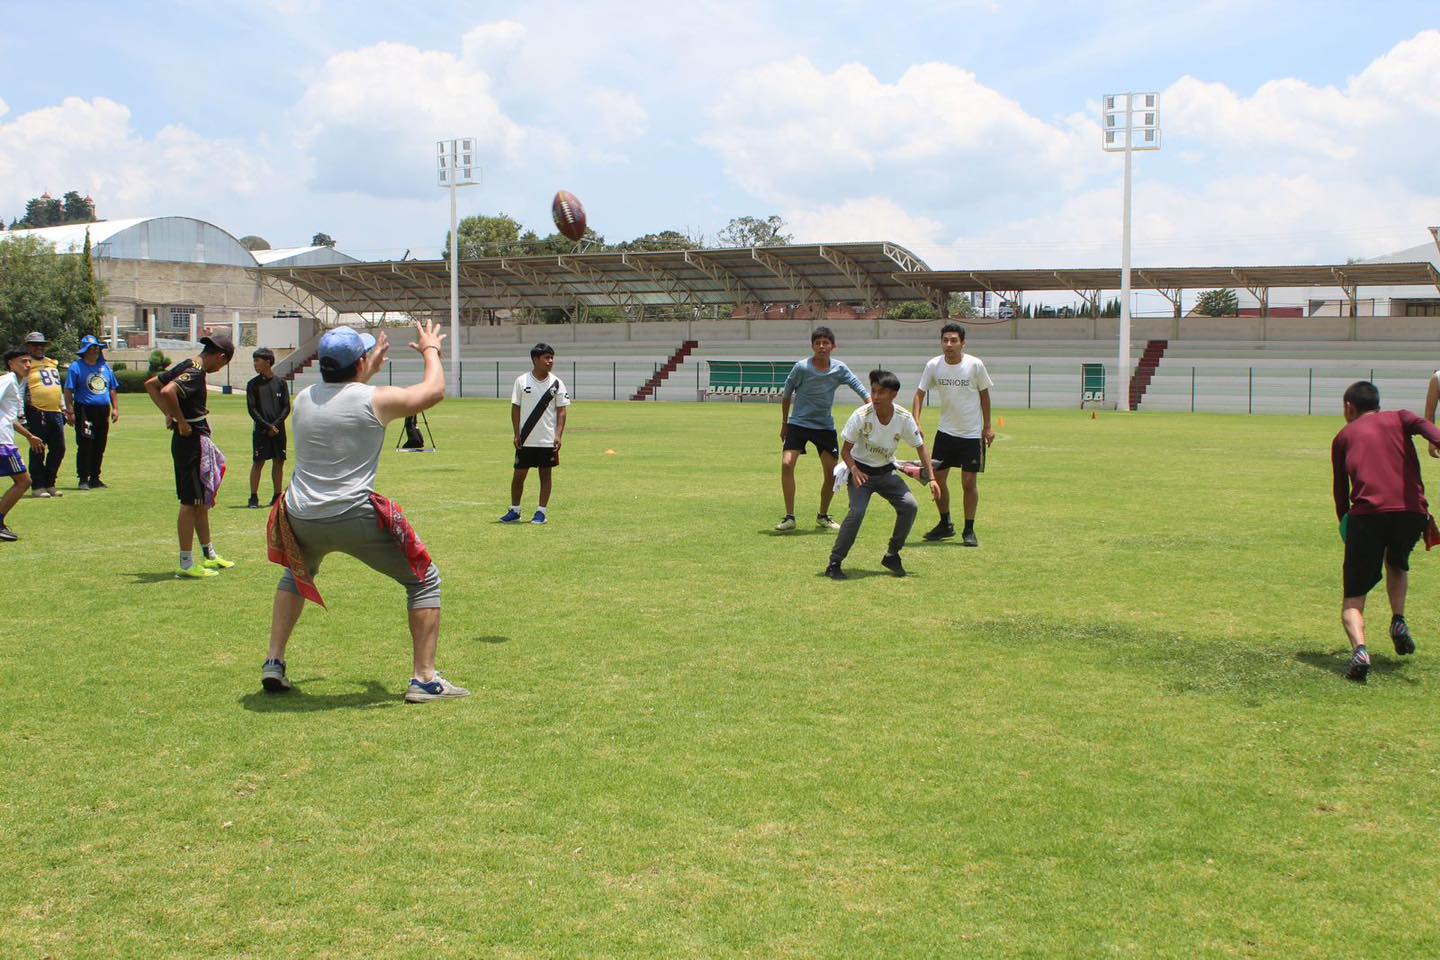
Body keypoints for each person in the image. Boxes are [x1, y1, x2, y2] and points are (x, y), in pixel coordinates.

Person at [262, 321, 469, 704]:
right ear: (359, 363)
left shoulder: (304, 397)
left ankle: (274, 660)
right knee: (424, 580)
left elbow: (343, 393)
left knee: (296, 574)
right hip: (351, 513)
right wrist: (429, 349)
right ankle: (424, 679)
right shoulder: (375, 399)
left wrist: (364, 368)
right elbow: (434, 390)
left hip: (301, 513)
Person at [1330, 380, 1440, 682]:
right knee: (1397, 561)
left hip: (1368, 515)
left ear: (1349, 408)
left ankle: (1361, 651)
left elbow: (1341, 492)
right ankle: (1398, 620)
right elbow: (1435, 435)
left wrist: (1345, 524)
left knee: (1354, 595)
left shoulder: (1343, 437)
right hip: (1412, 513)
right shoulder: (1402, 417)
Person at [826, 370, 940, 580]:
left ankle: (892, 554)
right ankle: (834, 562)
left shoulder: (904, 418)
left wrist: (932, 478)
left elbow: (921, 447)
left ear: (893, 395)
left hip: (886, 472)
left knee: (910, 506)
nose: (876, 397)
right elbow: (845, 451)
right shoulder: (861, 415)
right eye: (874, 391)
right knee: (856, 513)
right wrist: (853, 469)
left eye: (882, 392)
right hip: (861, 472)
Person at [144, 334, 235, 579]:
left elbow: (151, 384)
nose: (219, 369)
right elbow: (167, 390)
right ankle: (186, 563)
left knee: (201, 501)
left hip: (193, 440)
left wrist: (169, 414)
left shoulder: (187, 364)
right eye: (222, 364)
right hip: (191, 441)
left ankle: (210, 554)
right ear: (221, 356)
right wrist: (180, 421)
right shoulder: (195, 372)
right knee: (189, 502)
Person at [777, 326, 869, 531]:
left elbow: (859, 387)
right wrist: (785, 423)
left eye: (825, 343)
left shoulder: (839, 369)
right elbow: (786, 394)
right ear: (812, 346)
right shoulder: (801, 367)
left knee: (832, 473)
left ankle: (823, 516)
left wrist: (871, 407)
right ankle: (789, 517)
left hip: (824, 427)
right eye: (817, 343)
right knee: (786, 464)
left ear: (832, 347)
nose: (821, 346)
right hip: (798, 424)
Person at [912, 322, 994, 547]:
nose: (949, 344)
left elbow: (985, 396)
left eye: (953, 340)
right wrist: (916, 422)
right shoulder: (933, 365)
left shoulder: (975, 365)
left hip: (971, 434)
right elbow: (919, 394)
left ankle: (969, 529)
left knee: (968, 482)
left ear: (962, 343)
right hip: (945, 433)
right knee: (937, 479)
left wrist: (987, 426)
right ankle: (945, 523)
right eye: (945, 340)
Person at [500, 342, 570, 525]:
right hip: (526, 438)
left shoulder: (557, 383)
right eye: (547, 357)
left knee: (545, 476)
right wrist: (516, 434)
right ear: (535, 359)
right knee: (518, 476)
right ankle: (515, 511)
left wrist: (558, 435)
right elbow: (515, 407)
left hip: (547, 440)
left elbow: (562, 410)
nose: (550, 361)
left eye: (552, 357)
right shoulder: (522, 381)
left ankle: (541, 512)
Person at [63, 335, 120, 490]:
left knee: (99, 446)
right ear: (85, 350)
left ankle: (95, 478)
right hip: (84, 410)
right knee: (86, 444)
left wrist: (115, 408)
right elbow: (68, 390)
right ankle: (83, 478)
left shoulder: (105, 367)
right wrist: (69, 410)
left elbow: (112, 388)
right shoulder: (76, 367)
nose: (95, 351)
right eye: (92, 348)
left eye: (97, 348)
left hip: (102, 411)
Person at [1, 349, 46, 542]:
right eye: (23, 361)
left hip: (5, 439)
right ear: (11, 364)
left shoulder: (19, 383)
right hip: (2, 443)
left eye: (29, 362)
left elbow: (10, 418)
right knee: (24, 481)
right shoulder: (8, 380)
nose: (27, 365)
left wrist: (29, 435)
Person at [20, 331, 68, 498]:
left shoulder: (51, 363)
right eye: (35, 345)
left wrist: (63, 408)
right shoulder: (26, 364)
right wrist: (22, 413)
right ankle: (38, 485)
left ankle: (50, 483)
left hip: (55, 411)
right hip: (37, 411)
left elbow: (57, 386)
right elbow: (21, 389)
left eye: (41, 345)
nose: (39, 348)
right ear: (28, 347)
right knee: (38, 449)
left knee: (59, 449)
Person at [245, 347, 291, 508]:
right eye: (254, 360)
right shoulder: (252, 385)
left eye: (257, 360)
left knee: (278, 461)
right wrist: (267, 426)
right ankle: (253, 497)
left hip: (278, 431)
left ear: (268, 362)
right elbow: (252, 409)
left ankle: (277, 495)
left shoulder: (281, 383)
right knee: (258, 462)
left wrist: (276, 425)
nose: (255, 364)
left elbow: (286, 407)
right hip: (261, 430)